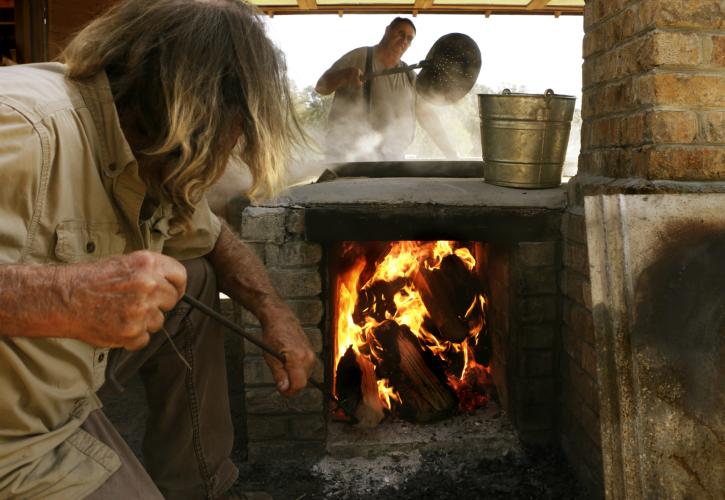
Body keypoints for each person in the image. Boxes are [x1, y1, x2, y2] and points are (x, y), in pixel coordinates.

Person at [0, 1, 315, 499]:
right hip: (15, 442)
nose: (231, 152)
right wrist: (65, 295)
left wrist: (274, 312)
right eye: (234, 132)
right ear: (195, 105)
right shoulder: (23, 127)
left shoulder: (146, 149)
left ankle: (202, 486)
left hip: (59, 390)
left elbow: (209, 237)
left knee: (197, 277)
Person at [315, 17, 457, 162]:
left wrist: (452, 155)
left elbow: (428, 118)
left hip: (393, 161)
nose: (404, 41)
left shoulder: (410, 76)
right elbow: (321, 87)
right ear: (387, 31)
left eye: (409, 39)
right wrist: (344, 75)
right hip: (348, 159)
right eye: (400, 34)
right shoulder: (359, 57)